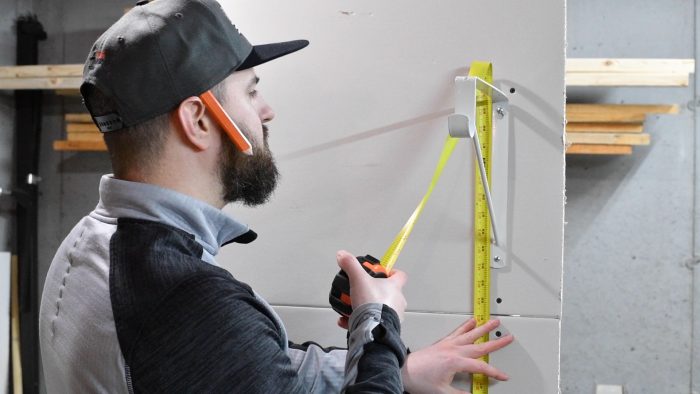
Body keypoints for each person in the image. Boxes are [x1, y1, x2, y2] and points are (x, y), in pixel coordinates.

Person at [38, 0, 513, 392]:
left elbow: (259, 372)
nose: (268, 112)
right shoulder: (187, 300)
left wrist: (396, 370)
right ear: (198, 121)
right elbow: (220, 345)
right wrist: (378, 321)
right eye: (250, 92)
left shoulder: (90, 243)